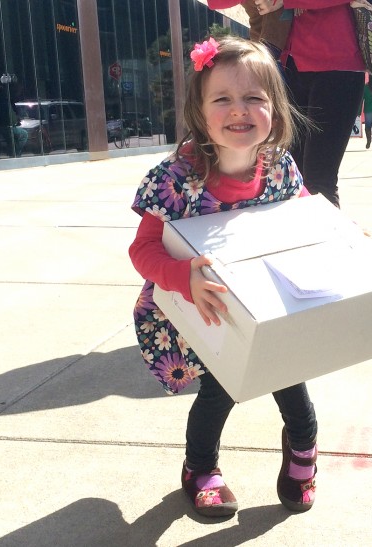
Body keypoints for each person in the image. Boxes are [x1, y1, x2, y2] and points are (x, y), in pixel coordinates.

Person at [129, 36, 318, 518]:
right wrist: (179, 276)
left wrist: (339, 239)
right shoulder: (175, 178)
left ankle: (303, 453)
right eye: (223, 99)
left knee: (291, 379)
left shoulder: (280, 170)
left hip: (272, 302)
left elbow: (307, 224)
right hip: (206, 308)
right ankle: (200, 468)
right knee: (218, 390)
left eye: (255, 98)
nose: (240, 110)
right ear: (199, 109)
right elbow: (143, 248)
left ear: (275, 108)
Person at [254, 0, 366, 208]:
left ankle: (330, 240)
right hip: (290, 67)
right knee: (291, 179)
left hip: (339, 66)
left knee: (319, 180)